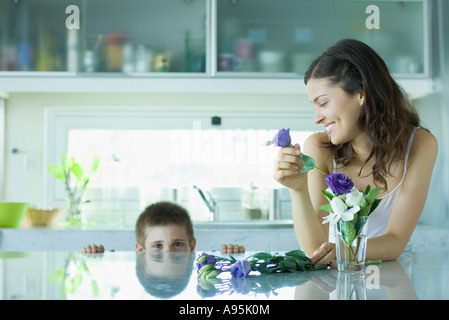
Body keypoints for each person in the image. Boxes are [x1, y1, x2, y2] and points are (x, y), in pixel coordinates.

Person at [273, 39, 437, 269]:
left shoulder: (420, 144)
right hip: (334, 279)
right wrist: (297, 188)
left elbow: (395, 243)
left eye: (323, 103)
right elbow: (315, 250)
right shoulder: (318, 148)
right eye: (315, 106)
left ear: (360, 94)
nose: (317, 118)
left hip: (392, 280)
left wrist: (340, 251)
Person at [81, 201, 245, 254]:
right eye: (157, 245)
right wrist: (98, 258)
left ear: (192, 246)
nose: (168, 252)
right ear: (140, 250)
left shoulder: (196, 267)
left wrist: (230, 257)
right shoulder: (138, 265)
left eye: (178, 244)